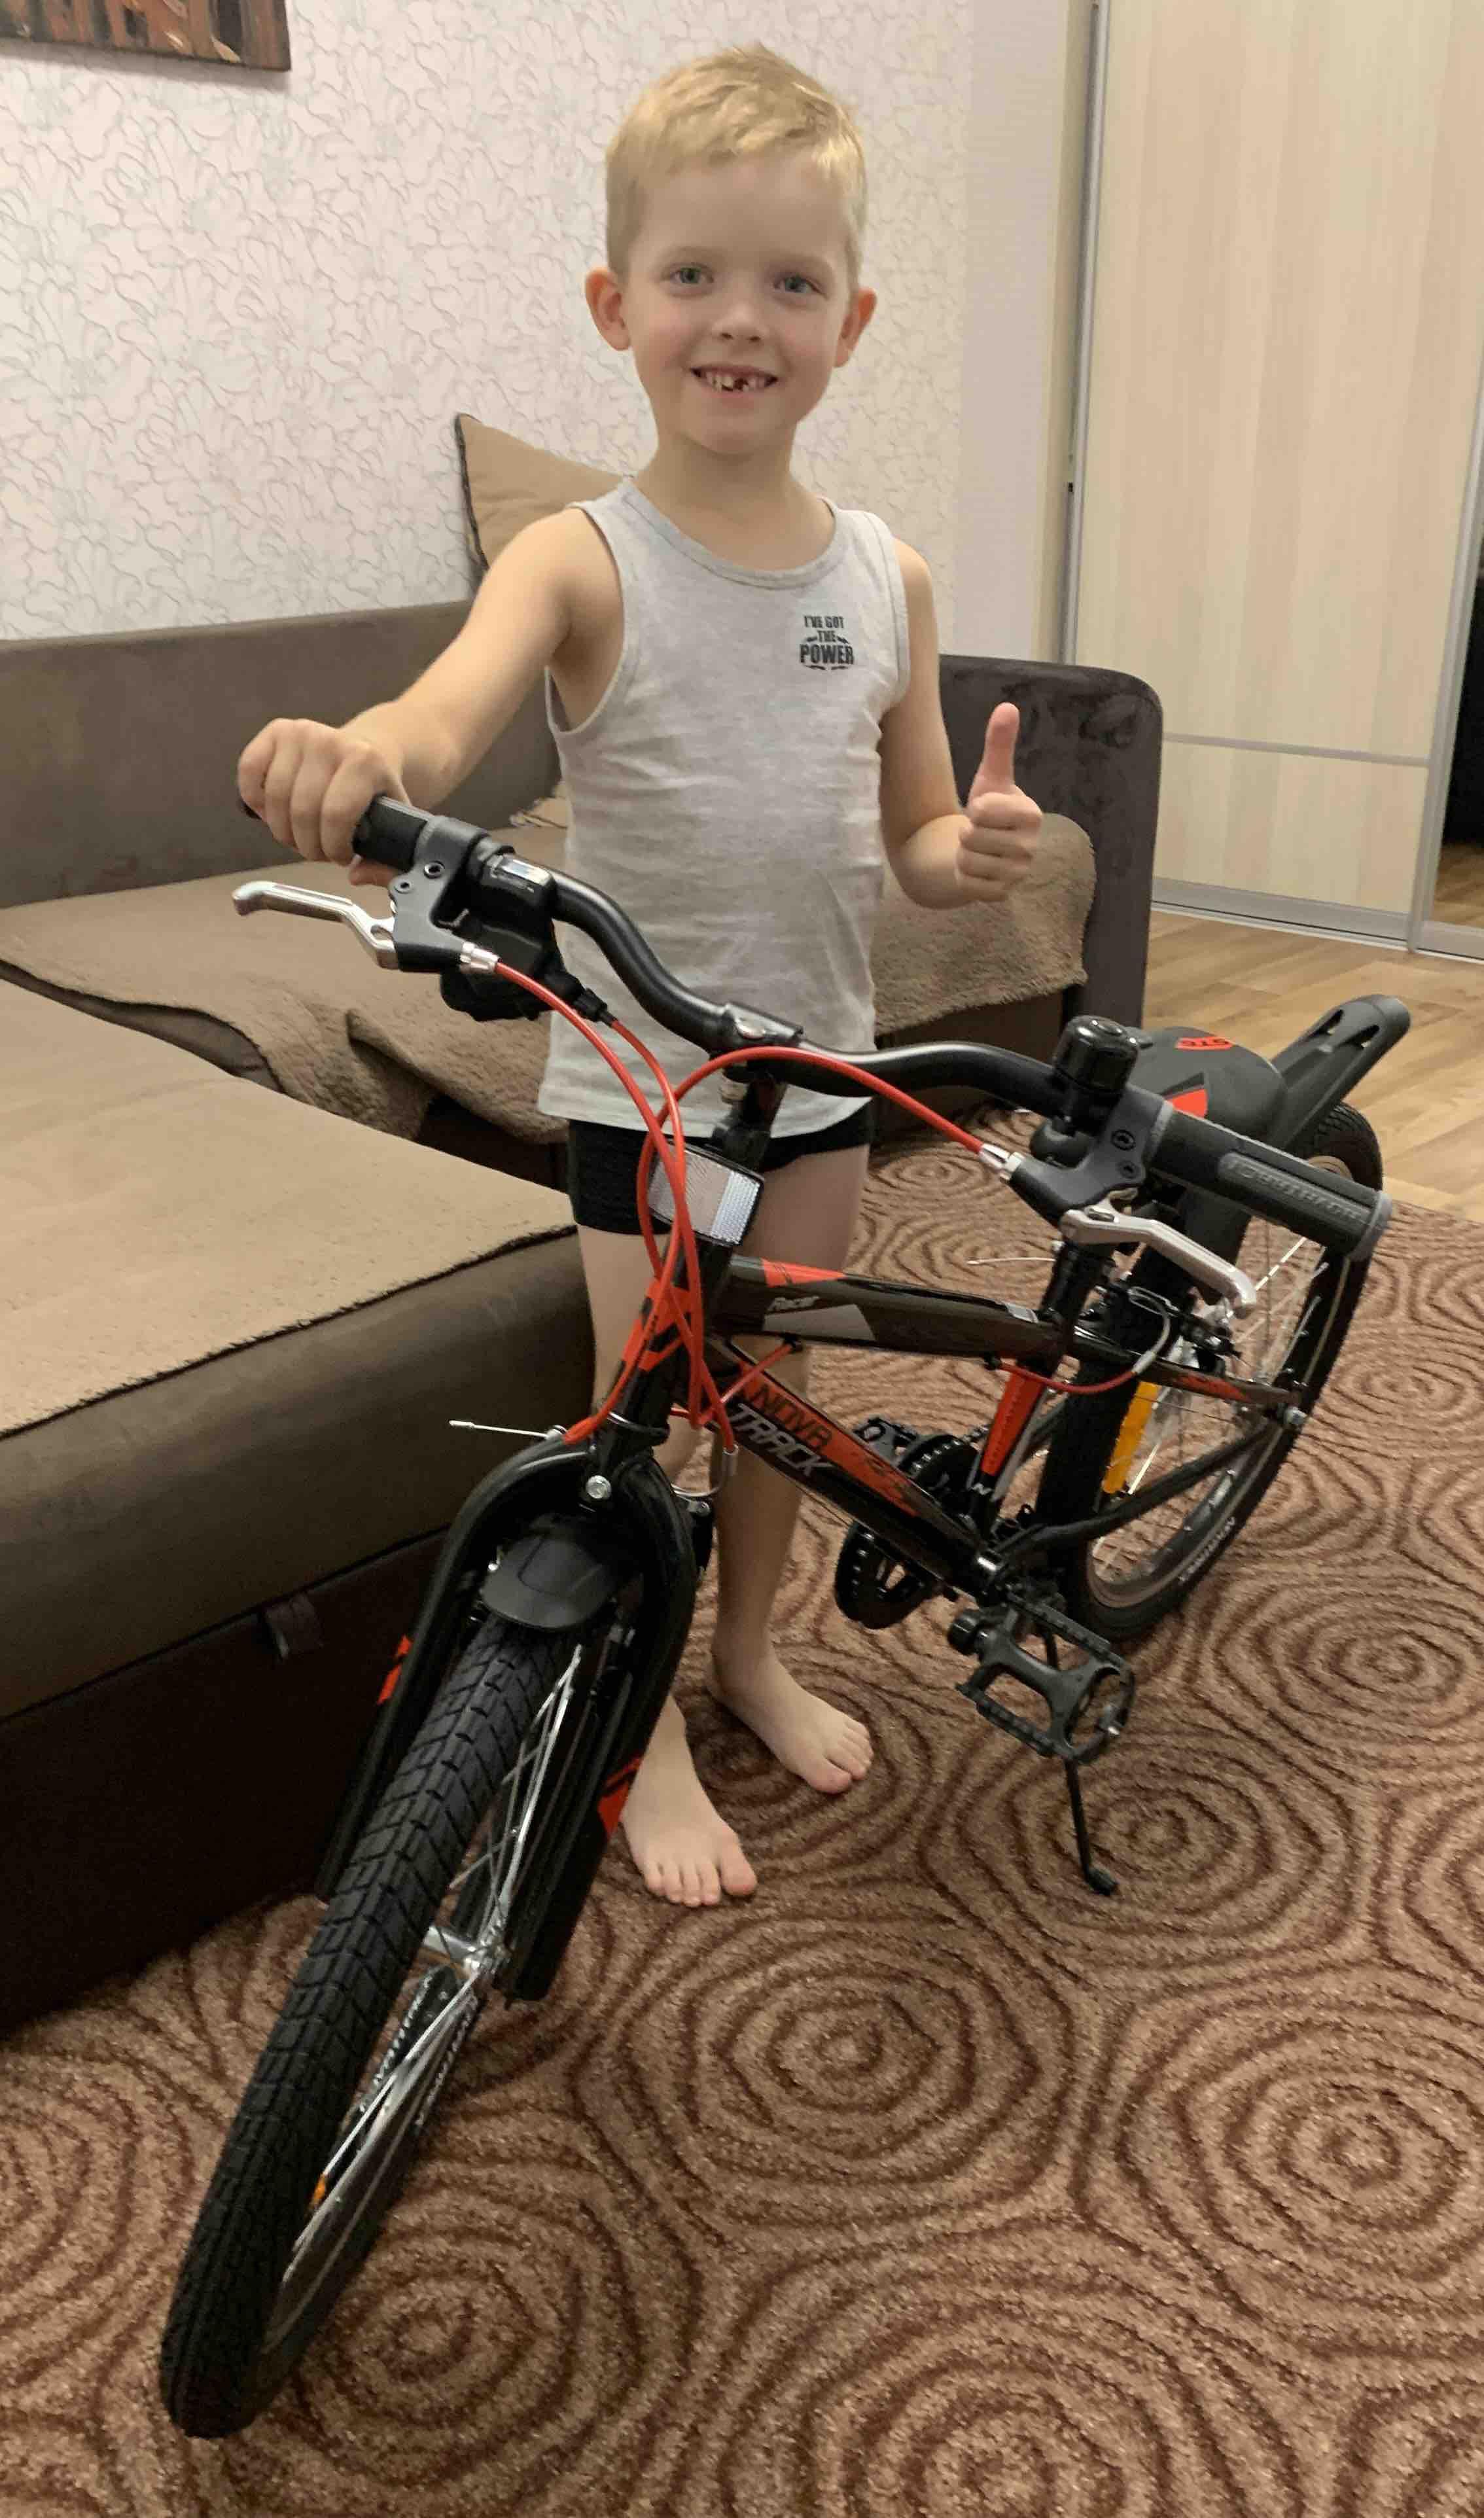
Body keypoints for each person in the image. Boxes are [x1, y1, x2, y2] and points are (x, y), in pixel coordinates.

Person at [236, 41, 1044, 1912]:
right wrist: (361, 756)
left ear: (850, 322)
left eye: (790, 281)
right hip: (641, 1081)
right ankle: (644, 1721)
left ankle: (747, 1651)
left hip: (818, 1071)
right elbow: (439, 715)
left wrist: (975, 854)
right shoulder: (576, 560)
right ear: (617, 307)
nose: (739, 318)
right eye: (693, 274)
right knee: (640, 1411)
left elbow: (919, 838)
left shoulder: (891, 578)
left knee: (778, 1393)